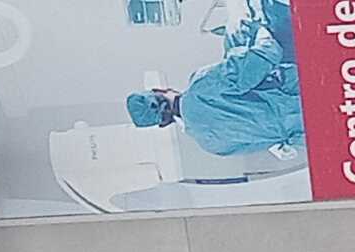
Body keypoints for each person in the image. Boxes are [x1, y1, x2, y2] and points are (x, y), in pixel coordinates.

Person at [126, 0, 303, 159]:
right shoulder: (201, 87)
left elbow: (272, 141)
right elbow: (266, 55)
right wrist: (257, 28)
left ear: (163, 124)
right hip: (304, 91)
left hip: (308, 129)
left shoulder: (211, 145)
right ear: (160, 90)